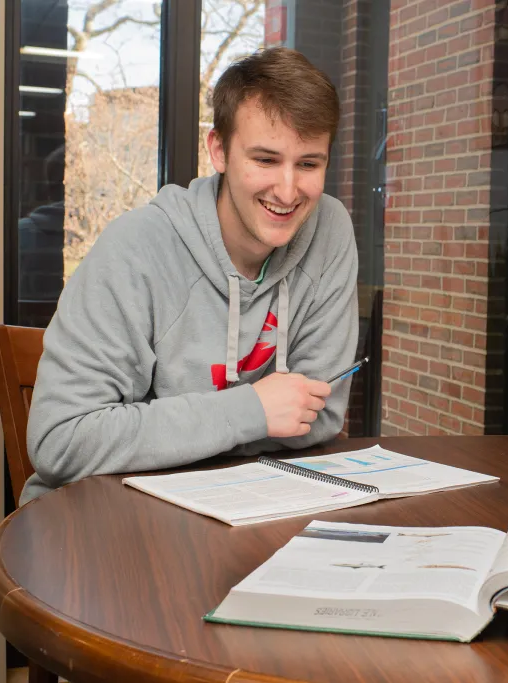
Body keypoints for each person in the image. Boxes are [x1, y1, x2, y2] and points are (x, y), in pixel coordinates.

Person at [22, 47, 359, 505]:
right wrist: (251, 411)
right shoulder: (136, 246)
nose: (287, 190)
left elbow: (317, 419)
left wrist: (157, 432)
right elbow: (62, 442)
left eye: (308, 164)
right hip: (99, 523)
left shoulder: (330, 229)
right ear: (218, 149)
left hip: (242, 506)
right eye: (265, 159)